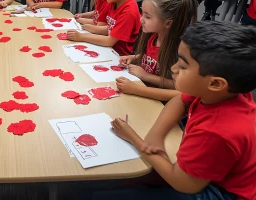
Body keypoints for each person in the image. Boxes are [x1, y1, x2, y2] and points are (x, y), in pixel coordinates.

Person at [109, 21, 256, 200]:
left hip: (222, 192)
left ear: (216, 83)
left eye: (183, 66)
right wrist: (156, 135)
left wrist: (135, 139)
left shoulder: (214, 131)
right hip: (211, 172)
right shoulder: (223, 92)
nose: (173, 68)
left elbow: (183, 184)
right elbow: (180, 100)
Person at [115, 0, 197, 101]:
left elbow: (179, 89)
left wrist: (145, 78)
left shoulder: (180, 50)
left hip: (158, 101)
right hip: (141, 89)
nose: (141, 19)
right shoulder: (153, 36)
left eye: (147, 17)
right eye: (142, 13)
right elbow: (152, 56)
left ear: (168, 23)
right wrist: (134, 57)